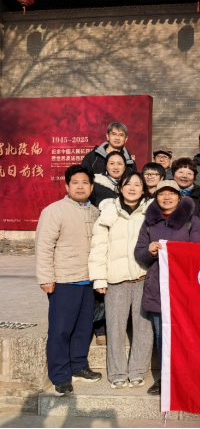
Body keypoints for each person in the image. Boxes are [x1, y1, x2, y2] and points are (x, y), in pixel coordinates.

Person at [35, 165, 103, 397]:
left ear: (91, 187)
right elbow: (44, 246)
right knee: (61, 330)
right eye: (75, 182)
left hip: (88, 281)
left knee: (84, 328)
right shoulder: (54, 211)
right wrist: (46, 277)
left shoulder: (95, 212)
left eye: (85, 182)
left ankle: (79, 366)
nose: (80, 187)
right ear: (67, 186)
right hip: (64, 280)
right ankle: (61, 375)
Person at [135, 181, 200, 396]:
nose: (167, 198)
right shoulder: (149, 222)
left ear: (180, 197)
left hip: (185, 287)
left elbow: (199, 252)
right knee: (162, 334)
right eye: (162, 194)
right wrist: (149, 251)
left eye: (171, 194)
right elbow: (139, 253)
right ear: (156, 197)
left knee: (186, 333)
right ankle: (165, 378)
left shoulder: (192, 221)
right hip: (159, 286)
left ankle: (187, 377)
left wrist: (179, 251)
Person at [88, 173, 153, 389]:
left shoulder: (150, 213)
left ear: (143, 189)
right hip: (116, 280)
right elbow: (99, 247)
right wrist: (99, 278)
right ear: (120, 188)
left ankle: (138, 371)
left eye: (137, 184)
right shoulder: (108, 212)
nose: (132, 188)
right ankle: (117, 373)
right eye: (128, 184)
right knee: (115, 329)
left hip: (143, 278)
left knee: (143, 329)